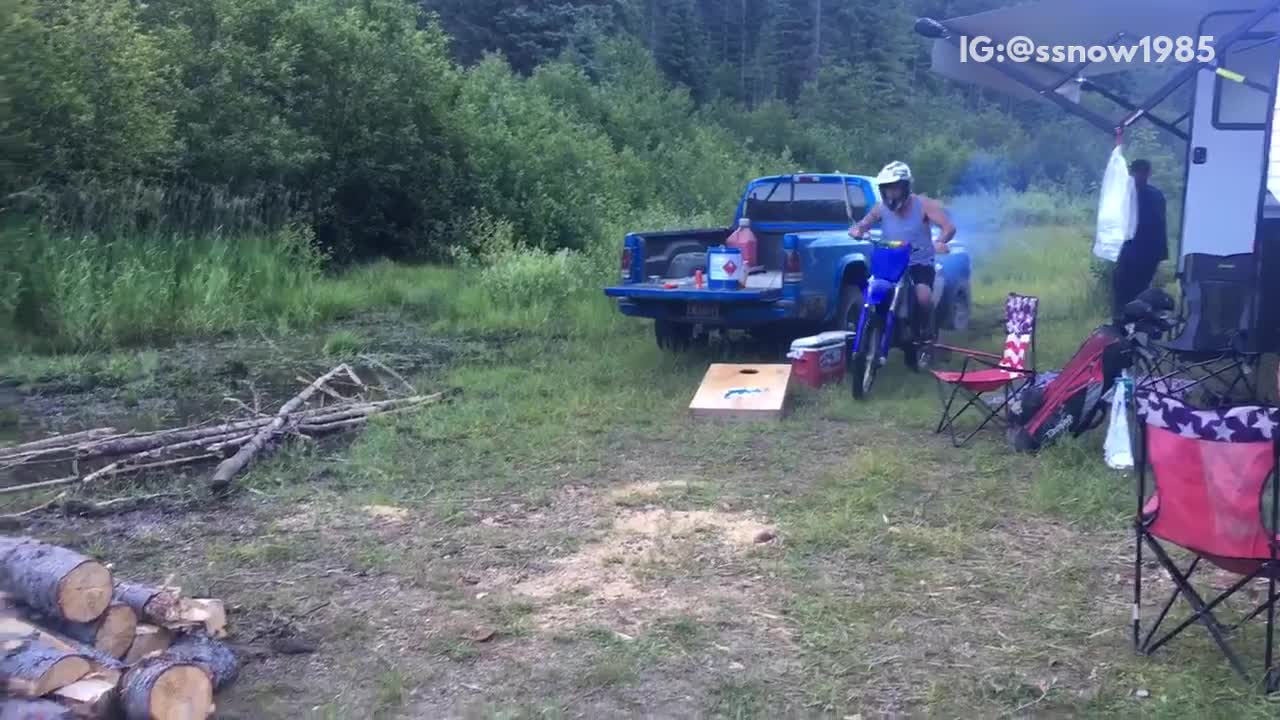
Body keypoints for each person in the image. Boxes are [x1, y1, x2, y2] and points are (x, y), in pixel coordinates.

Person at [849, 161, 957, 339]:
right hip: (891, 261)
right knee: (873, 291)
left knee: (923, 297)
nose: (891, 193)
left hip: (918, 261)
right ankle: (873, 331)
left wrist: (939, 242)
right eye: (887, 188)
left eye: (895, 188)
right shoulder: (880, 207)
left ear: (905, 187)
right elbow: (865, 223)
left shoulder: (923, 204)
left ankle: (927, 332)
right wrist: (858, 229)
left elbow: (948, 228)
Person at [1112, 158, 1169, 321]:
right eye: (1139, 173)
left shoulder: (1152, 196)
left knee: (1138, 292)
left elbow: (1157, 226)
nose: (1140, 176)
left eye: (1142, 173)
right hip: (1132, 252)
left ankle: (1132, 322)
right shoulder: (1127, 194)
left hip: (1144, 254)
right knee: (1124, 290)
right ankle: (1122, 321)